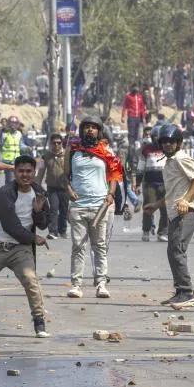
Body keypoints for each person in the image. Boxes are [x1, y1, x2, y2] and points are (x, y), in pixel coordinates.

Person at [0, 154, 51, 338]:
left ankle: (39, 321)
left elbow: (45, 223)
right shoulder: (6, 192)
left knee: (31, 280)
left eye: (29, 171)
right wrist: (33, 237)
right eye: (21, 171)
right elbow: (9, 225)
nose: (25, 175)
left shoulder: (39, 192)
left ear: (34, 172)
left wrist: (38, 212)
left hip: (20, 249)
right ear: (15, 172)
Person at [145, 124, 194, 310]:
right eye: (164, 142)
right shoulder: (169, 162)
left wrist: (186, 200)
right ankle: (180, 291)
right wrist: (156, 205)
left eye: (171, 142)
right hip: (174, 212)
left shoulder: (181, 158)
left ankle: (187, 292)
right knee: (173, 251)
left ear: (179, 143)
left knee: (177, 250)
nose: (168, 145)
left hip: (186, 212)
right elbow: (173, 192)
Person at [65, 117, 120, 299]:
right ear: (82, 131)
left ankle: (101, 284)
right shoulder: (73, 151)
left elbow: (114, 175)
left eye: (93, 127)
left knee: (99, 246)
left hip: (99, 206)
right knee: (78, 247)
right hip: (78, 206)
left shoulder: (106, 151)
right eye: (87, 127)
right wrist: (69, 190)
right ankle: (76, 285)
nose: (90, 130)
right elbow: (65, 176)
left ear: (99, 131)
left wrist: (111, 194)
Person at [136, 127, 168, 241]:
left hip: (165, 184)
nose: (157, 139)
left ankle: (162, 233)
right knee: (148, 208)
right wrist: (137, 183)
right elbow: (140, 167)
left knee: (165, 209)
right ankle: (146, 231)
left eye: (159, 137)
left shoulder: (167, 148)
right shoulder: (146, 149)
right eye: (155, 136)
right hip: (149, 184)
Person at [36, 133, 69, 239]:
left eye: (58, 143)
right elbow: (40, 172)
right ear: (50, 144)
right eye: (54, 143)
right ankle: (53, 231)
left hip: (65, 188)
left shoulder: (67, 155)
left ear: (62, 143)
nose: (56, 145)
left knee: (64, 210)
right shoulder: (46, 156)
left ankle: (62, 230)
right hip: (52, 188)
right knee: (53, 209)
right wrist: (37, 187)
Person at [121, 85, 147, 151]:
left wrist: (144, 117)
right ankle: (131, 145)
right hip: (131, 117)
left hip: (138, 117)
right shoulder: (128, 96)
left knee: (136, 132)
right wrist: (123, 116)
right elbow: (124, 106)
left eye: (137, 87)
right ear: (132, 88)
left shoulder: (139, 96)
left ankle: (135, 145)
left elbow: (142, 108)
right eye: (134, 87)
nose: (136, 88)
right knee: (131, 132)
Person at [0, 116, 23, 183]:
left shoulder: (19, 134)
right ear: (8, 123)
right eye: (11, 123)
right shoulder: (4, 134)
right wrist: (0, 162)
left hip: (17, 161)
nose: (13, 125)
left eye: (15, 123)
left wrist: (27, 148)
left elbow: (21, 146)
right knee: (9, 181)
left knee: (18, 181)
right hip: (7, 161)